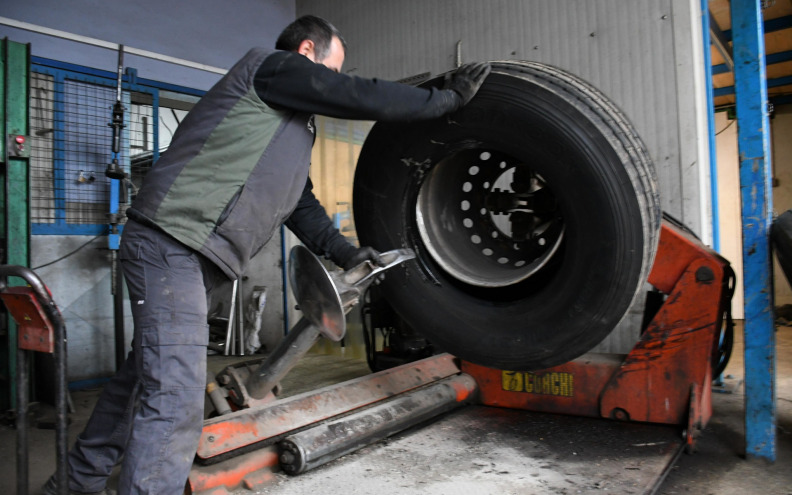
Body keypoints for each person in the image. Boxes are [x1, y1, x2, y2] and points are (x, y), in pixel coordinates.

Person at [46, 15, 490, 495]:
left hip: (193, 258)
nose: (334, 82)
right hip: (170, 244)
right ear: (305, 53)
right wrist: (443, 101)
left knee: (141, 382)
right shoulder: (270, 68)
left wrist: (344, 252)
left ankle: (73, 485)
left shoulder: (289, 128)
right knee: (174, 398)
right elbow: (358, 95)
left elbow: (299, 203)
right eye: (332, 70)